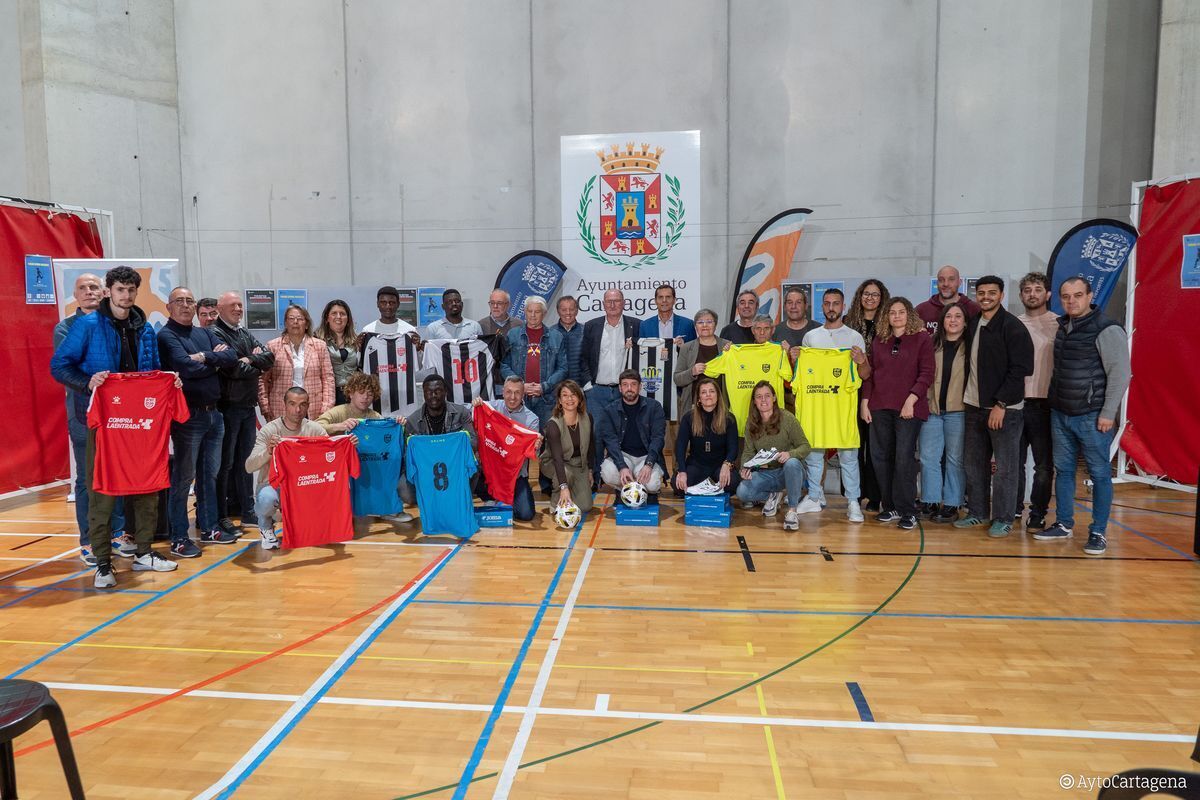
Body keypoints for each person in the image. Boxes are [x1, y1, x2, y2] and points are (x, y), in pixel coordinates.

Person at [50, 266, 177, 587]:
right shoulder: (88, 325)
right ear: (109, 291)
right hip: (101, 421)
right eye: (121, 289)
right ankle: (103, 563)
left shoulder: (145, 328)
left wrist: (167, 380)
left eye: (132, 290)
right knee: (101, 491)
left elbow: (152, 371)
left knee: (147, 487)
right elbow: (59, 366)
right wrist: (87, 382)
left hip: (141, 424)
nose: (127, 295)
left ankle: (144, 552)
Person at [1034, 278, 1130, 556]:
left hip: (1092, 417)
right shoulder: (1063, 327)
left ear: (1090, 296)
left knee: (1099, 474)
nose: (1071, 301)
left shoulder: (1107, 329)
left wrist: (1108, 413)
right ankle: (1064, 523)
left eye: (1077, 295)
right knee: (1064, 472)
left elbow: (1120, 374)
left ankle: (1098, 531)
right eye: (1066, 296)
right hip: (1061, 413)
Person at [53, 273, 131, 566]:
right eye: (83, 288)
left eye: (94, 287)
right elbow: (64, 369)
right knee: (87, 480)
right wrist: (90, 381)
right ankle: (88, 540)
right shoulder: (66, 328)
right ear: (75, 294)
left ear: (105, 292)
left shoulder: (117, 325)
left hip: (118, 415)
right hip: (84, 415)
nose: (89, 292)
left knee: (117, 473)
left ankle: (118, 533)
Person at [158, 286, 240, 554]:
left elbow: (230, 357)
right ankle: (179, 537)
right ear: (169, 307)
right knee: (183, 479)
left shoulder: (204, 333)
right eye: (179, 301)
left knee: (210, 475)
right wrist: (211, 363)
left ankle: (209, 528)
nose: (185, 305)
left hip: (214, 414)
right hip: (187, 417)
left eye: (189, 301)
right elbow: (184, 367)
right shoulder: (166, 335)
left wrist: (205, 357)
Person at [953, 276, 1033, 538]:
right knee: (974, 465)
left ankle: (1003, 518)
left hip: (1003, 410)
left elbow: (1021, 369)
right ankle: (977, 512)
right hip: (974, 407)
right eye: (981, 292)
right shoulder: (974, 322)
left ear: (1001, 294)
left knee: (1006, 468)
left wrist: (1001, 403)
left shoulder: (1012, 327)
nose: (985, 296)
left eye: (992, 292)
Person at [797, 288, 871, 523]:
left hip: (842, 410)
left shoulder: (854, 337)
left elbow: (865, 374)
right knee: (814, 456)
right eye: (827, 303)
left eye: (836, 303)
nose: (831, 307)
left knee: (849, 457)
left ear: (843, 306)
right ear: (822, 307)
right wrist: (795, 357)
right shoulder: (811, 337)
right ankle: (815, 497)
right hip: (817, 409)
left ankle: (853, 502)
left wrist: (861, 361)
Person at [861, 296, 934, 530]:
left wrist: (911, 399)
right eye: (892, 312)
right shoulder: (879, 340)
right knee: (880, 458)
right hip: (879, 407)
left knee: (903, 459)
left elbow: (927, 374)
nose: (897, 316)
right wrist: (865, 402)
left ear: (909, 314)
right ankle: (890, 505)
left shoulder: (921, 338)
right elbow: (871, 374)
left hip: (908, 409)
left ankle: (908, 510)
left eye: (901, 312)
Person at [211, 290, 275, 539]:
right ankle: (223, 513)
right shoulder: (215, 333)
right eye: (233, 305)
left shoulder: (243, 332)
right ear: (220, 308)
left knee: (245, 462)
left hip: (247, 407)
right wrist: (251, 363)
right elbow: (231, 369)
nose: (238, 309)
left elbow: (269, 358)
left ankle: (247, 508)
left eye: (240, 305)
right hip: (228, 407)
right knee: (225, 464)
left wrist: (249, 360)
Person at [245, 387, 328, 549]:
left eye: (302, 405)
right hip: (274, 486)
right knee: (267, 499)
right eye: (292, 404)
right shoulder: (270, 430)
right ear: (284, 405)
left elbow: (331, 456)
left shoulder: (315, 429)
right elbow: (249, 466)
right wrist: (268, 451)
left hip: (303, 486)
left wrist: (347, 446)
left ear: (308, 406)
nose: (297, 410)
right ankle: (266, 526)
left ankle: (303, 522)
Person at [734, 381, 811, 531]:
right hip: (767, 473)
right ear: (754, 401)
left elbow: (805, 446)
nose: (763, 400)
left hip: (789, 472)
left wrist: (790, 454)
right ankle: (774, 495)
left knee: (792, 463)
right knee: (742, 492)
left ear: (774, 398)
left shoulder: (787, 418)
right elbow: (748, 452)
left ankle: (792, 511)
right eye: (759, 397)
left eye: (767, 396)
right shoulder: (751, 423)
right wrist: (745, 468)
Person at [917, 304, 968, 524]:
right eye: (949, 316)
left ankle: (952, 503)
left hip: (959, 411)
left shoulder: (971, 345)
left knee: (955, 459)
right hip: (933, 410)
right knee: (929, 458)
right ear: (942, 321)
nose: (953, 320)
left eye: (958, 316)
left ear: (965, 322)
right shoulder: (931, 344)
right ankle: (930, 500)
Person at [1016, 272, 1058, 531]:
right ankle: (1013, 509)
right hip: (1016, 403)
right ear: (1021, 295)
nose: (1032, 293)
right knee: (1014, 463)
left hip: (1045, 404)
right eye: (1028, 290)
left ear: (1047, 294)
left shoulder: (1059, 324)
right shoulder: (1013, 324)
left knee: (1043, 465)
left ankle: (1038, 513)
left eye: (1037, 289)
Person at [399, 374, 478, 506]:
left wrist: (447, 451)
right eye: (429, 392)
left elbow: (474, 443)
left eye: (438, 391)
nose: (433, 395)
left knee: (475, 466)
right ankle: (435, 496)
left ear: (445, 392)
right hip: (425, 470)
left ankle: (454, 497)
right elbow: (407, 456)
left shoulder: (461, 413)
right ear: (423, 394)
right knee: (406, 494)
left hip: (454, 466)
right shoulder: (412, 420)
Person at [846, 279, 889, 511]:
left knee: (875, 446)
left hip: (879, 390)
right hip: (851, 391)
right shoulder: (848, 323)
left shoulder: (888, 324)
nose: (870, 298)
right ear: (859, 296)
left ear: (882, 298)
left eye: (875, 294)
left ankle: (875, 495)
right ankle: (854, 493)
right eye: (866, 293)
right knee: (854, 444)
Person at [472, 376, 540, 521]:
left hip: (514, 476)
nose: (513, 397)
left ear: (523, 394)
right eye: (509, 392)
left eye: (517, 393)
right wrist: (474, 405)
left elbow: (533, 452)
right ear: (502, 392)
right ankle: (490, 497)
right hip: (489, 471)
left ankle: (505, 501)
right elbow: (462, 411)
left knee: (526, 514)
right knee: (471, 469)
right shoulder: (489, 408)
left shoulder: (531, 419)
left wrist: (536, 446)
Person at [259, 304, 335, 421]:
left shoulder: (319, 345)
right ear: (285, 323)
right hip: (280, 407)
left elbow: (328, 378)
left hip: (313, 407)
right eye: (291, 318)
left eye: (300, 319)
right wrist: (265, 407)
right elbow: (263, 379)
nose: (295, 322)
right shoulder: (273, 346)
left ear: (307, 324)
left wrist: (327, 408)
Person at [596, 369, 666, 493]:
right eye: (625, 384)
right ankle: (630, 490)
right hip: (623, 455)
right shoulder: (609, 410)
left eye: (633, 384)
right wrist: (622, 466)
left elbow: (658, 438)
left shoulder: (654, 407)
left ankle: (634, 488)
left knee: (652, 485)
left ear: (640, 387)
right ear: (620, 388)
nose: (629, 388)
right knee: (608, 473)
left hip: (646, 456)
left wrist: (649, 464)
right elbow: (610, 441)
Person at [501, 295, 566, 425]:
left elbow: (563, 368)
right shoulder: (513, 335)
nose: (533, 315)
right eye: (529, 311)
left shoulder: (556, 337)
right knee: (519, 437)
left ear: (544, 314)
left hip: (546, 398)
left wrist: (544, 386)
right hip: (518, 398)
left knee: (546, 438)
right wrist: (520, 386)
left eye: (537, 311)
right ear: (525, 312)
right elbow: (503, 364)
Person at [673, 376, 739, 495]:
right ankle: (709, 486)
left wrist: (727, 464)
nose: (708, 395)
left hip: (720, 464)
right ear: (699, 398)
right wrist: (682, 471)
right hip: (697, 464)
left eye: (712, 391)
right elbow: (680, 446)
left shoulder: (729, 418)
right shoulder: (689, 418)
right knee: (678, 486)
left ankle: (711, 485)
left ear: (718, 396)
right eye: (704, 392)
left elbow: (733, 447)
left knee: (732, 483)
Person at [540, 380, 594, 515]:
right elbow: (557, 458)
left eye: (573, 394)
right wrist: (564, 487)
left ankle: (569, 495)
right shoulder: (553, 424)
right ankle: (556, 502)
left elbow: (591, 446)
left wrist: (590, 470)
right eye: (565, 395)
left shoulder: (588, 418)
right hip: (554, 463)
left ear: (579, 398)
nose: (570, 399)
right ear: (559, 400)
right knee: (566, 474)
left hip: (578, 465)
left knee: (586, 506)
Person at [580, 289, 639, 412]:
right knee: (598, 430)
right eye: (609, 301)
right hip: (596, 392)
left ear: (623, 303)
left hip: (626, 391)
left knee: (625, 430)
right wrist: (588, 386)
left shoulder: (636, 325)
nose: (612, 305)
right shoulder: (591, 326)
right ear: (603, 304)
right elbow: (583, 357)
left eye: (616, 301)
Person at [674, 309, 730, 416]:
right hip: (693, 407)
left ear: (716, 325)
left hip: (721, 407)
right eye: (700, 322)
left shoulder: (727, 346)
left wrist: (730, 353)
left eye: (709, 322)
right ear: (695, 327)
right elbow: (677, 379)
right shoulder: (686, 348)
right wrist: (692, 372)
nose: (705, 325)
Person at [314, 299, 359, 405]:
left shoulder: (357, 341)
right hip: (327, 394)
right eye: (334, 313)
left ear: (348, 319)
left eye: (342, 314)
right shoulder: (316, 341)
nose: (338, 317)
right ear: (327, 318)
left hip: (352, 394)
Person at [916, 265, 981, 336]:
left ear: (959, 282)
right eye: (941, 280)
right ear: (937, 283)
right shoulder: (921, 310)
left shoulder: (975, 309)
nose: (946, 284)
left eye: (951, 279)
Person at [553, 295, 586, 385]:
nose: (568, 313)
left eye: (571, 309)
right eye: (564, 310)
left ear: (577, 311)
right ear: (558, 311)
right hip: (556, 388)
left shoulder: (586, 331)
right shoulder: (550, 333)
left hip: (582, 387)